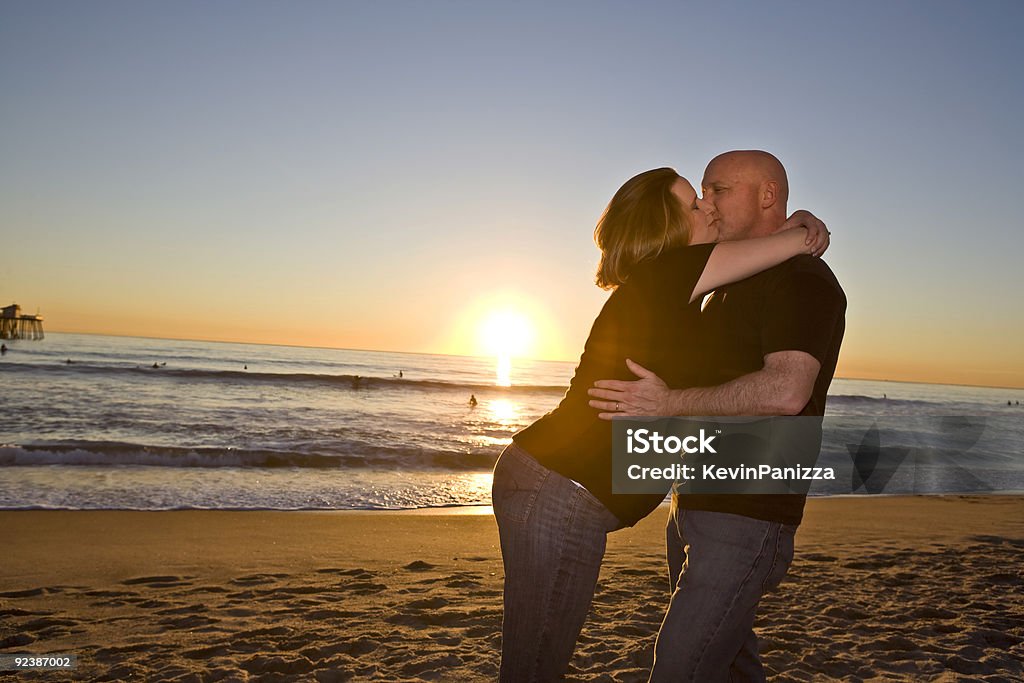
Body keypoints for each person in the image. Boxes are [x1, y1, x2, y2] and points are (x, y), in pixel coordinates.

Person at [491, 166, 829, 682]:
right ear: (668, 229)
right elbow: (785, 243)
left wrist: (794, 225)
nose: (710, 207)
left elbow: (776, 251)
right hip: (557, 488)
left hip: (560, 490)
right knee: (535, 667)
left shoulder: (681, 294)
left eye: (712, 196)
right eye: (696, 204)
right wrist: (802, 227)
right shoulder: (668, 274)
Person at [588, 151, 846, 682]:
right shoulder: (727, 280)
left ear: (767, 195)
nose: (707, 203)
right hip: (695, 504)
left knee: (681, 668)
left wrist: (667, 404)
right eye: (702, 192)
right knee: (729, 661)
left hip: (748, 512)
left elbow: (786, 390)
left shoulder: (802, 280)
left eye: (718, 189)